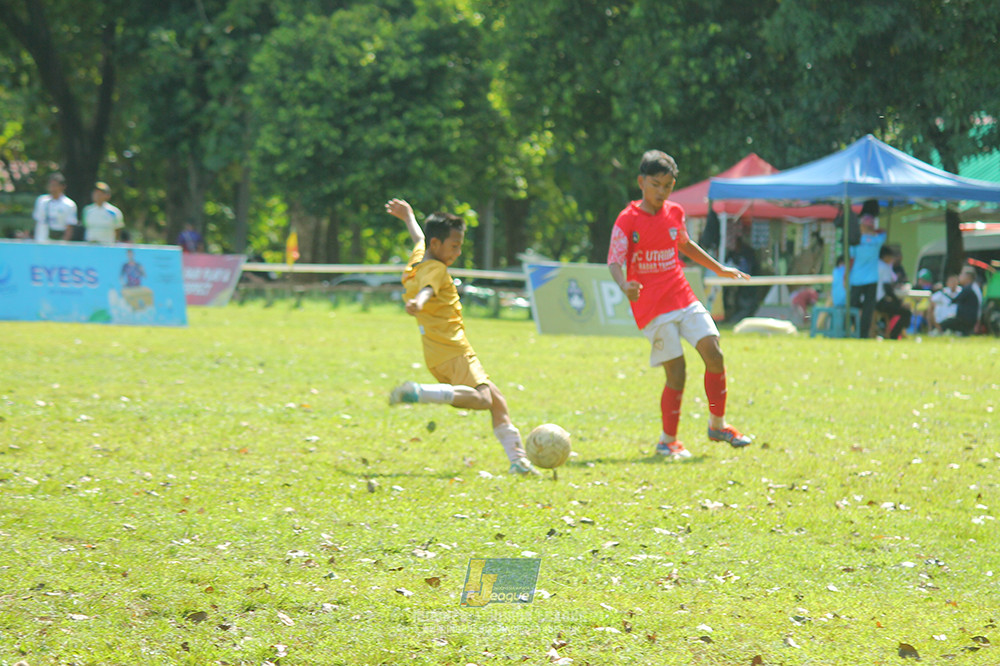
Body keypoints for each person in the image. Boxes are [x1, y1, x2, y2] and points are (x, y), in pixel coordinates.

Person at [607, 150, 752, 459]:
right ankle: (667, 440)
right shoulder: (627, 219)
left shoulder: (675, 212)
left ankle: (718, 425)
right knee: (677, 373)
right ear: (641, 182)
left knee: (714, 354)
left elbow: (685, 244)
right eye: (656, 184)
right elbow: (615, 261)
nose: (662, 192)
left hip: (682, 295)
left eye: (668, 186)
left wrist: (719, 268)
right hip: (651, 307)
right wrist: (625, 286)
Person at [385, 198, 539, 476]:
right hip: (455, 350)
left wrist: (408, 216)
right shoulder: (437, 269)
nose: (457, 252)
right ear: (437, 245)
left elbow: (419, 236)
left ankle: (518, 461)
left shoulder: (420, 258)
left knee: (497, 399)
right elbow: (429, 289)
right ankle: (418, 393)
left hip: (437, 353)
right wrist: (419, 302)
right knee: (483, 400)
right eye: (454, 246)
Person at [848, 200, 886, 338]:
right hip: (871, 279)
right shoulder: (877, 240)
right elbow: (883, 232)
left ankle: (856, 329)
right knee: (868, 309)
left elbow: (850, 260)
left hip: (856, 279)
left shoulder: (855, 242)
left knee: (852, 306)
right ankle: (863, 333)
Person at [873, 246, 911, 339]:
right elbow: (887, 288)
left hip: (869, 300)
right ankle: (893, 335)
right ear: (886, 256)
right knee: (906, 313)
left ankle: (885, 332)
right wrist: (898, 302)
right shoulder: (885, 267)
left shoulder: (873, 265)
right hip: (879, 301)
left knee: (892, 311)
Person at [31, 173, 78, 242]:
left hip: (57, 242)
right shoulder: (41, 201)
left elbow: (70, 227)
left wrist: (64, 244)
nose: (53, 188)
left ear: (63, 187)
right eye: (51, 185)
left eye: (55, 185)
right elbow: (36, 220)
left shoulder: (69, 204)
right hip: (40, 240)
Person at [938, 266, 981, 336]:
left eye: (961, 274)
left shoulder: (969, 289)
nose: (959, 276)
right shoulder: (972, 287)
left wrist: (942, 291)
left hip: (966, 321)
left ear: (968, 276)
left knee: (944, 324)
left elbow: (954, 300)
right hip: (968, 320)